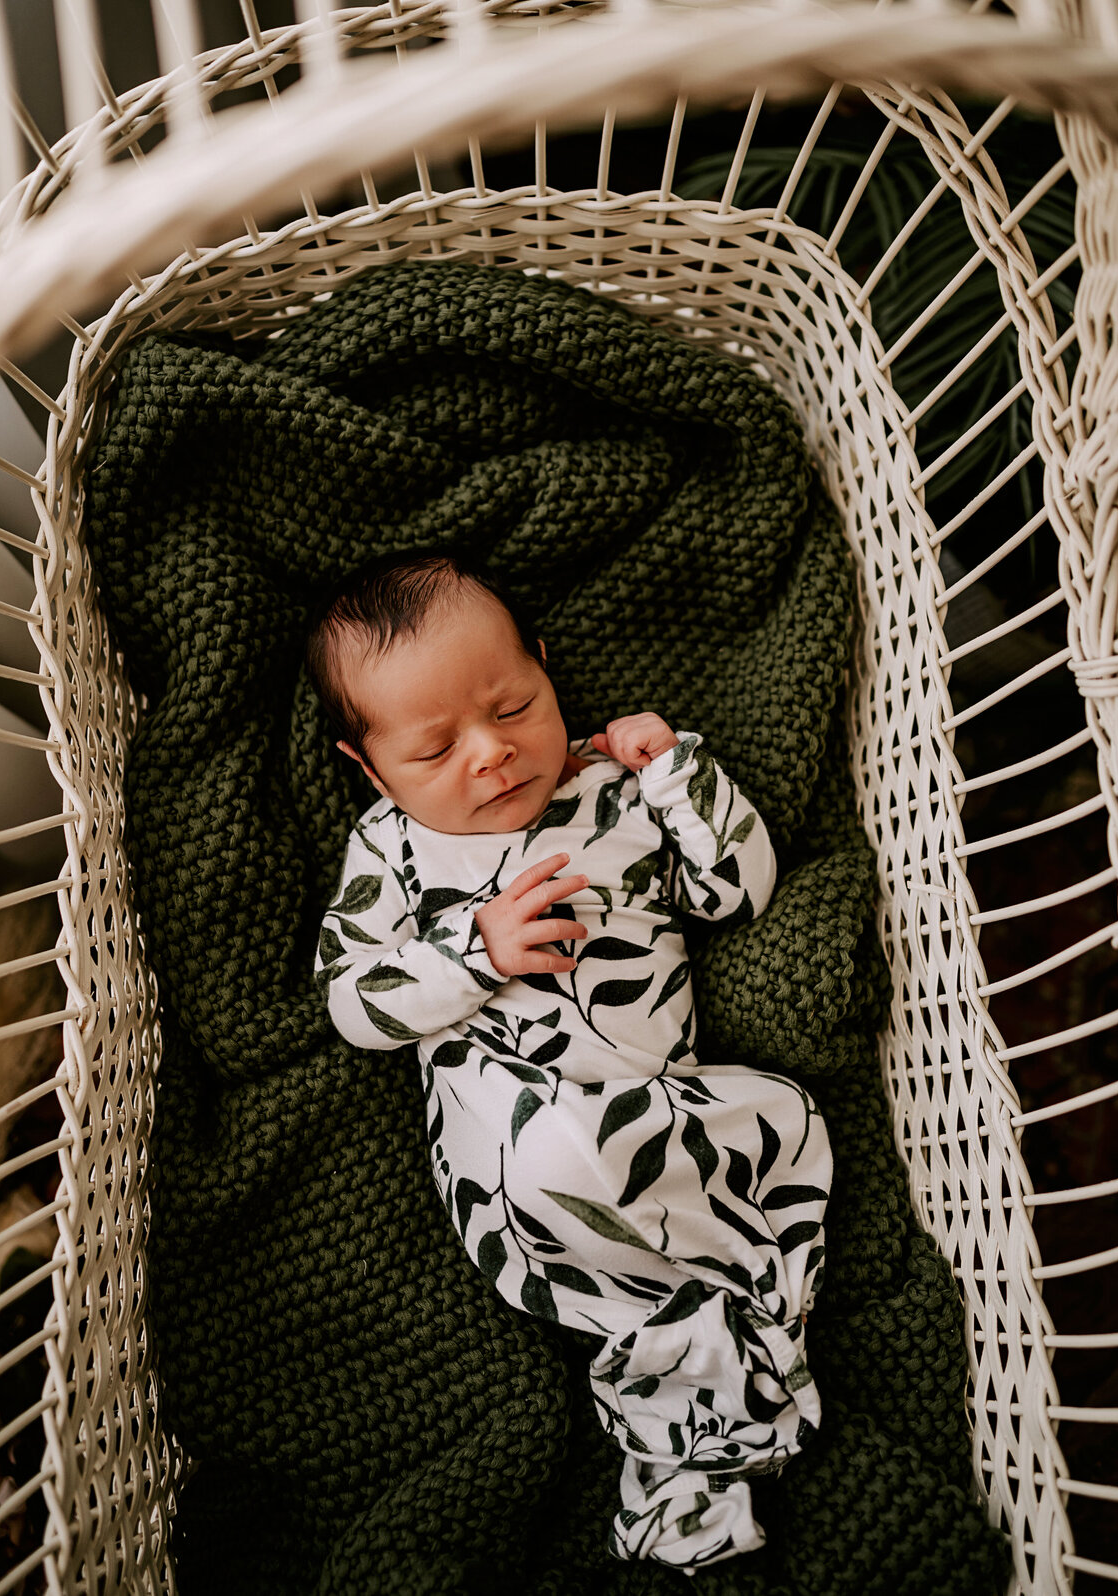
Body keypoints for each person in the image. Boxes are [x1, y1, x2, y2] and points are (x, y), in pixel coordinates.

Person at [307, 548, 831, 1575]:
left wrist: (678, 771)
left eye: (512, 705)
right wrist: (473, 948)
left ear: (548, 668)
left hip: (663, 1109)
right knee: (572, 1163)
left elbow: (737, 892)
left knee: (788, 1121)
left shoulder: (613, 788)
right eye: (433, 749)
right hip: (521, 1156)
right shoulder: (393, 852)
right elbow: (353, 1003)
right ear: (369, 769)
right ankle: (690, 1449)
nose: (491, 755)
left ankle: (715, 1396)